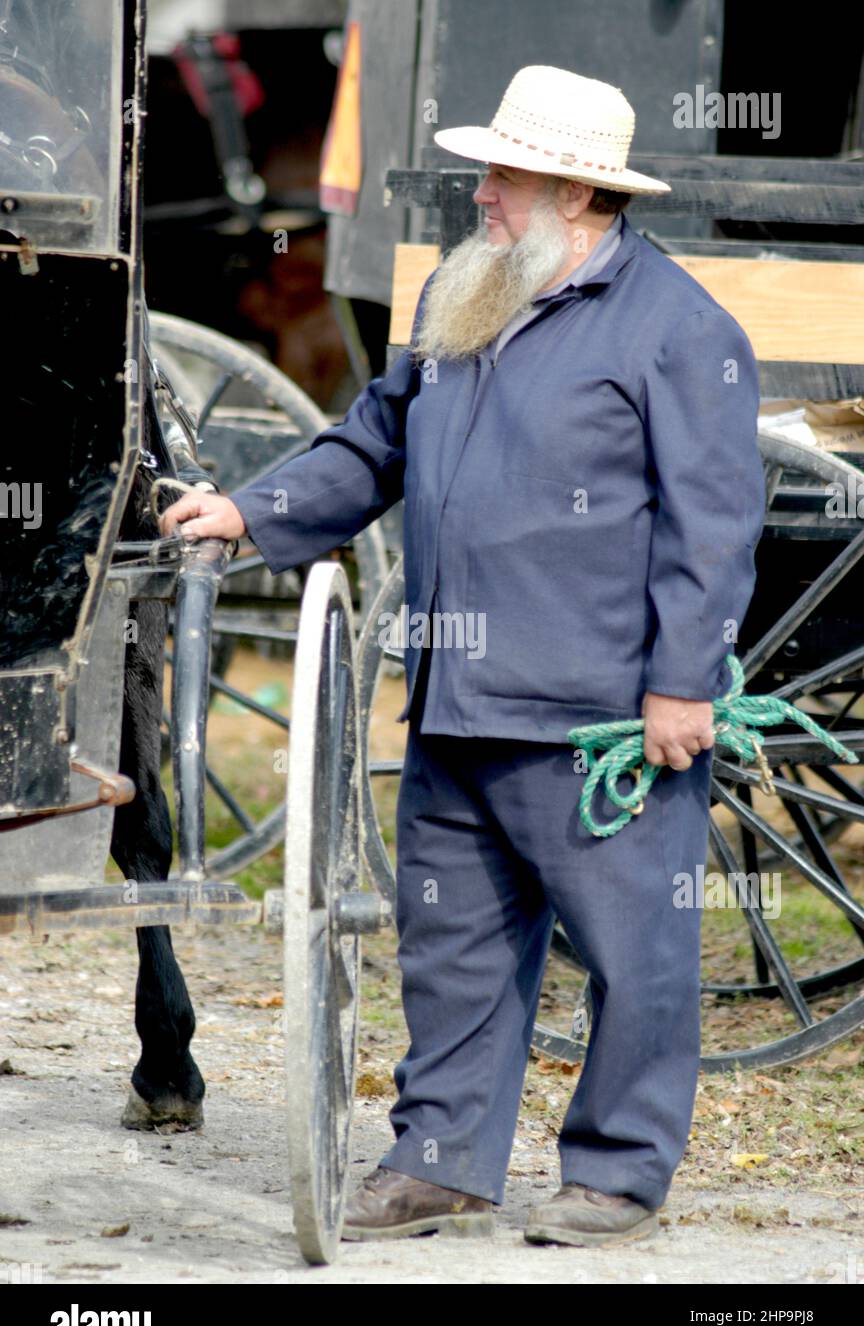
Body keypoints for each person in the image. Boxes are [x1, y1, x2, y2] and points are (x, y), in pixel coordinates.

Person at [160, 66, 766, 1248]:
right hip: (455, 693)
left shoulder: (683, 331)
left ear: (579, 193)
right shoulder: (462, 291)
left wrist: (683, 681)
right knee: (451, 950)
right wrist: (254, 511)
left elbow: (714, 524)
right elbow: (373, 441)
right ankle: (441, 1160)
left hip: (598, 715)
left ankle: (620, 1173)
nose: (479, 192)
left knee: (637, 952)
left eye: (503, 173)